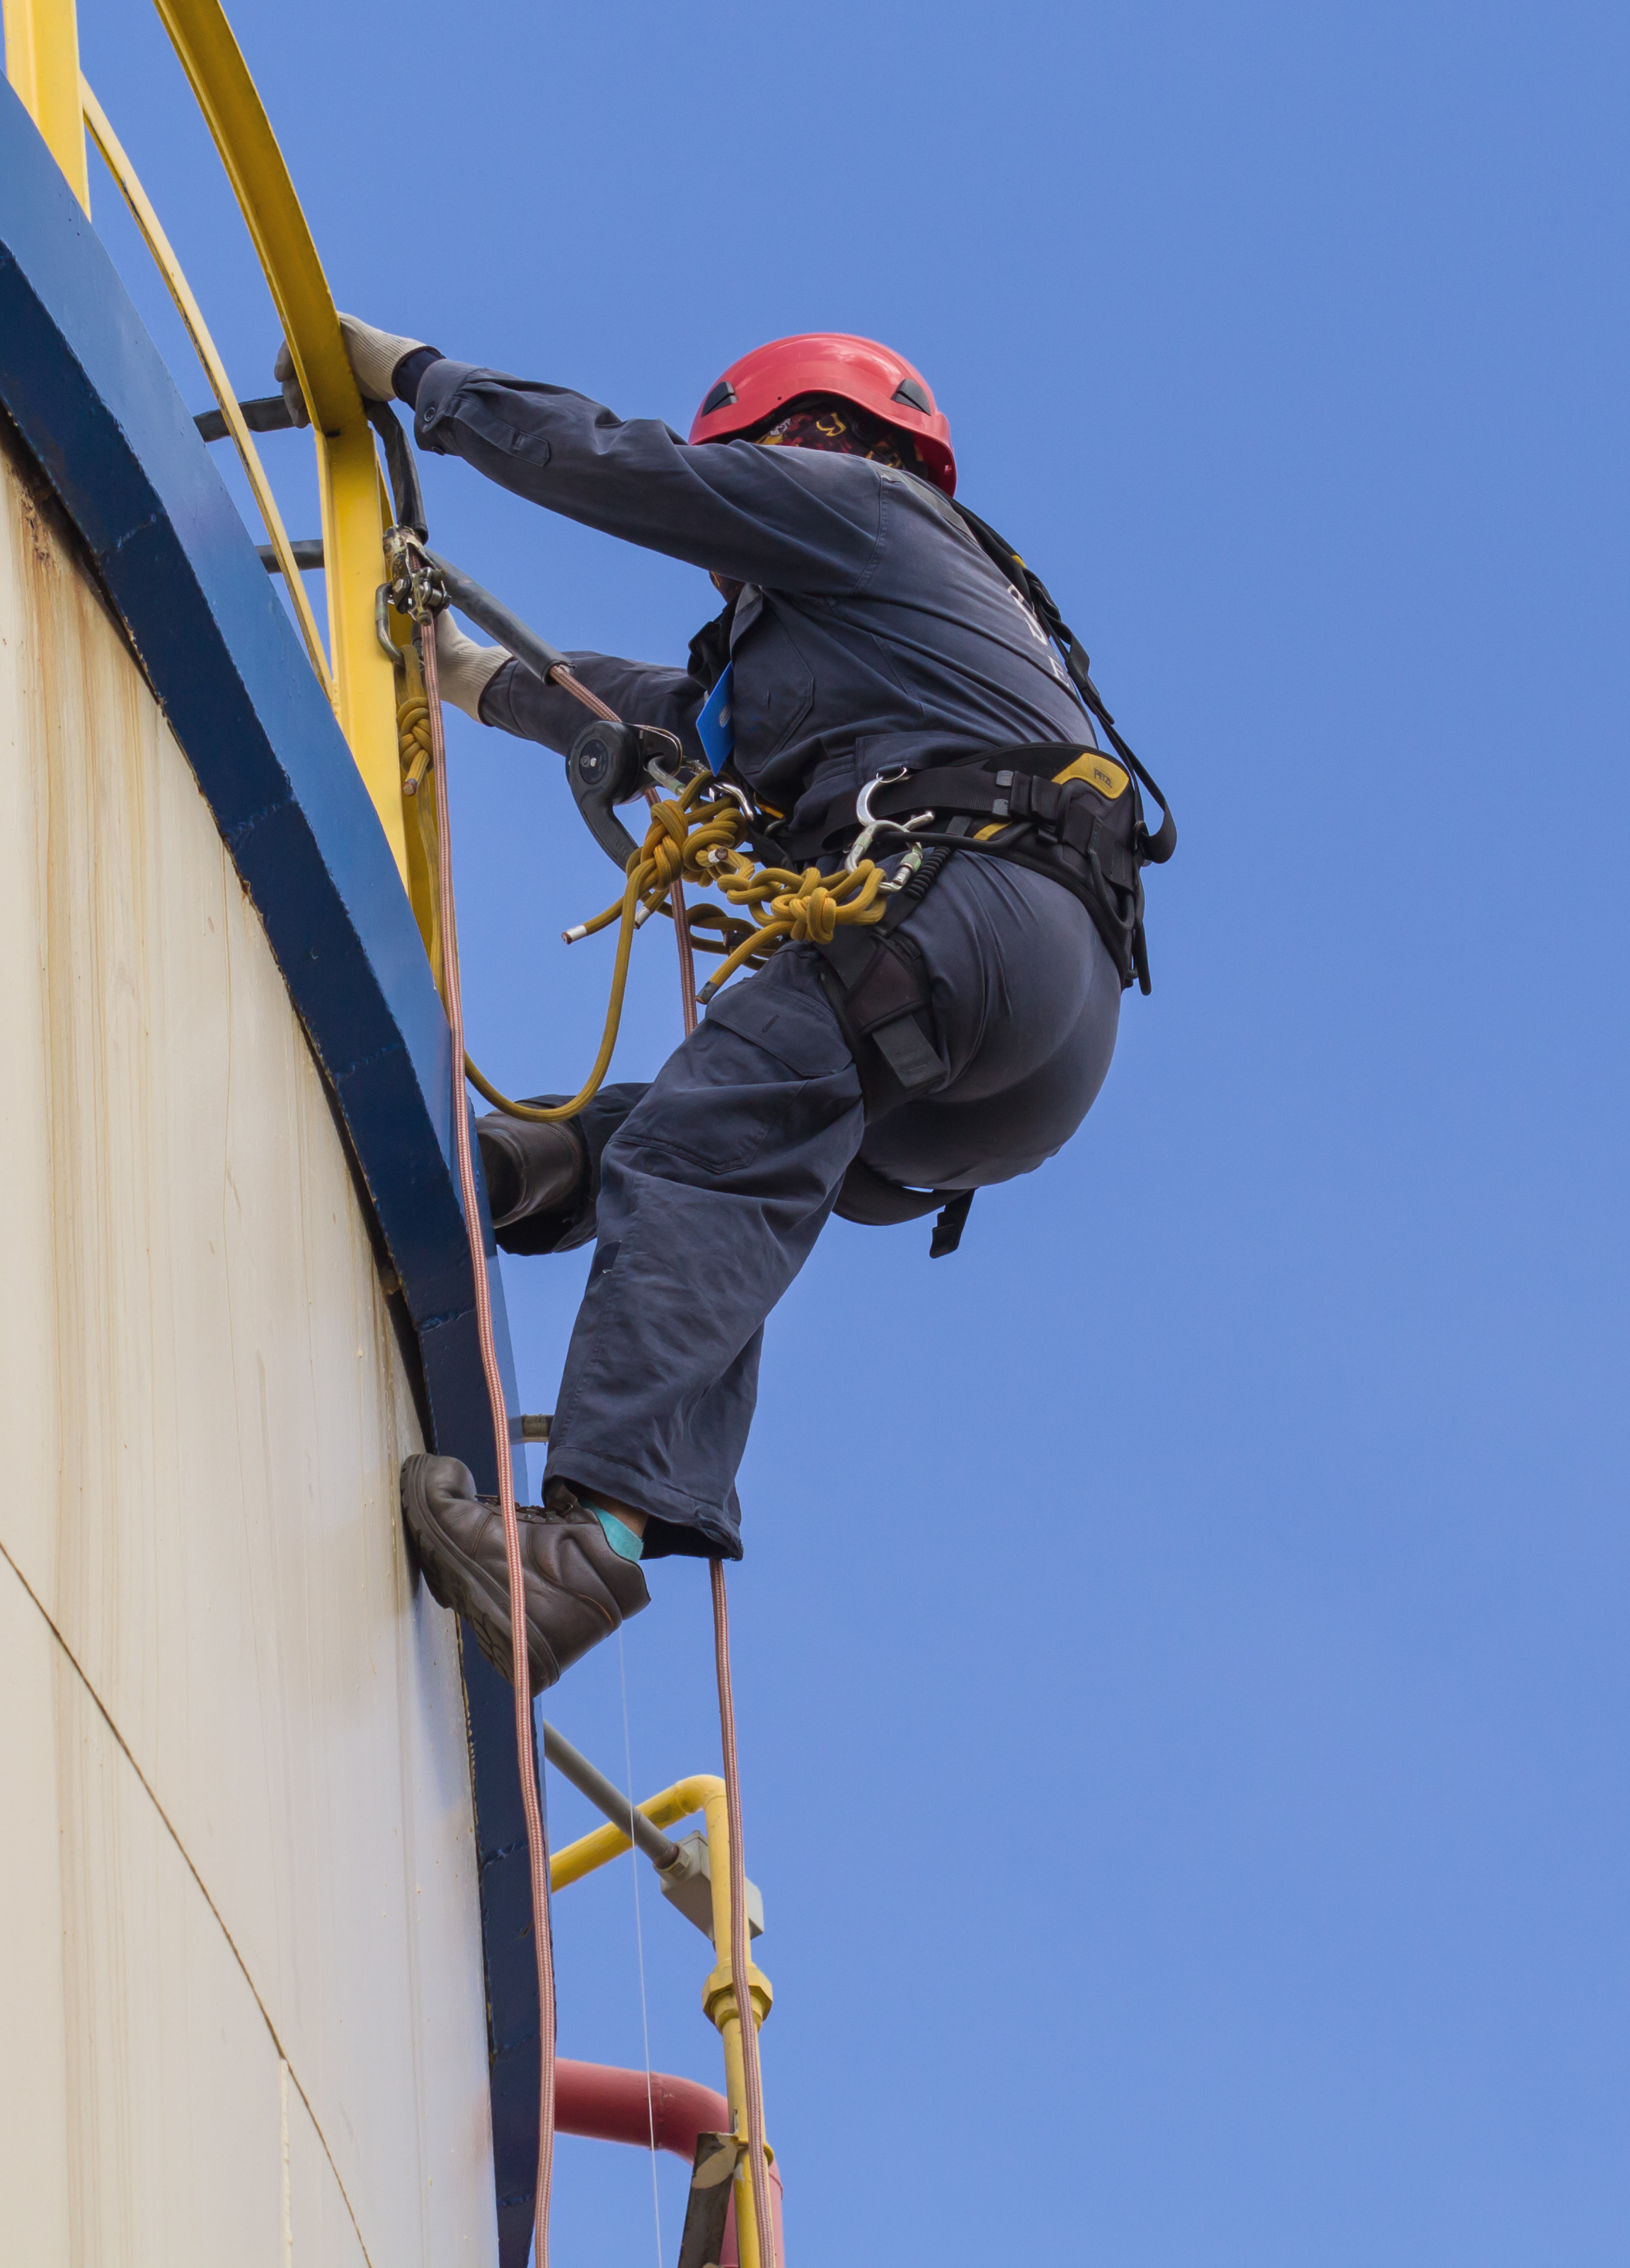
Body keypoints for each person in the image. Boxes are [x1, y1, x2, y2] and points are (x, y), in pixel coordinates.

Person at [309, 316, 1161, 1688]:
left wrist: (415, 378)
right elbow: (651, 712)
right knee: (743, 1131)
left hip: (967, 915)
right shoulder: (858, 638)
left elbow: (610, 464)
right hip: (1022, 1052)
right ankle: (546, 1167)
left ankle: (581, 1555)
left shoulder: (859, 509)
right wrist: (476, 680)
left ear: (805, 440)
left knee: (708, 1149)